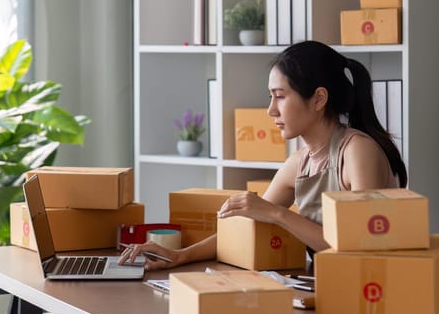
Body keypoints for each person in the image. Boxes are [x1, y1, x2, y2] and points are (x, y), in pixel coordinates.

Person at [119, 40, 407, 270]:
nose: (271, 110)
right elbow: (247, 225)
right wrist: (180, 255)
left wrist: (276, 214)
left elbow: (359, 246)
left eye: (280, 96)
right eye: (271, 97)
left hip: (373, 292)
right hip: (332, 284)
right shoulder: (300, 162)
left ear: (319, 98)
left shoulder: (358, 151)